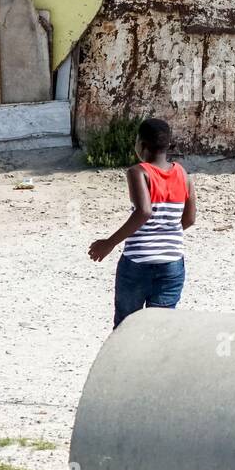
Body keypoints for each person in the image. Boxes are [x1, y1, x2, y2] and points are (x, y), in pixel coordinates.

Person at [88, 118, 196, 328]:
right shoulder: (183, 174)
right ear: (167, 145)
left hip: (138, 263)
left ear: (141, 144)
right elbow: (190, 219)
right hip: (172, 263)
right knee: (160, 328)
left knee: (126, 327)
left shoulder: (139, 172)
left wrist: (109, 243)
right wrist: (165, 235)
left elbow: (144, 211)